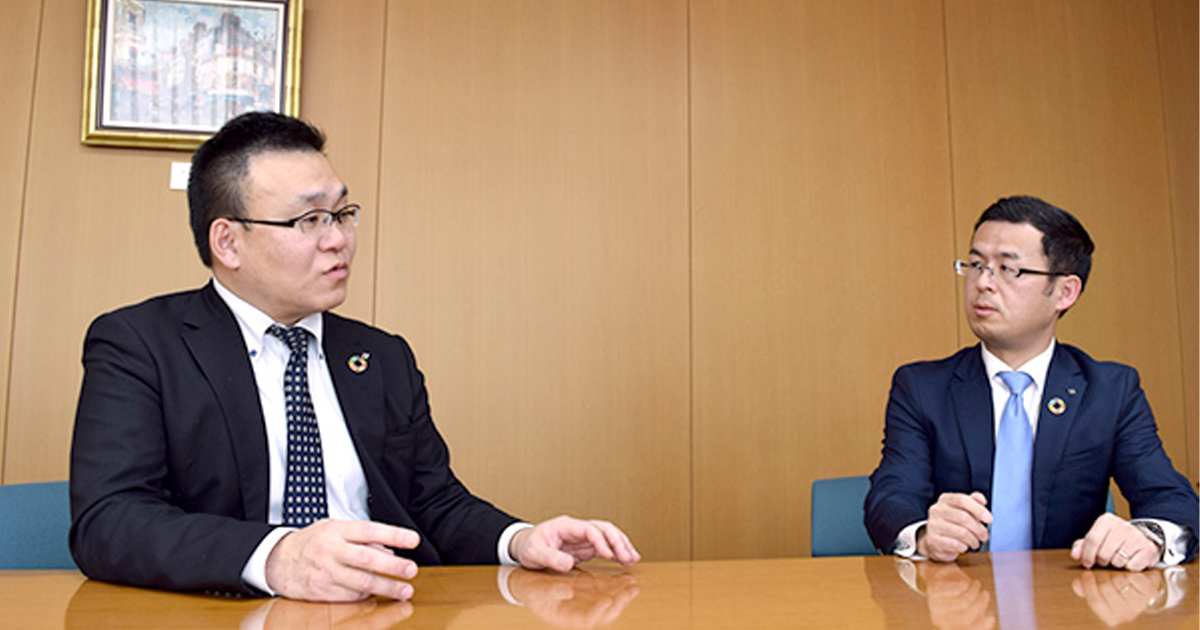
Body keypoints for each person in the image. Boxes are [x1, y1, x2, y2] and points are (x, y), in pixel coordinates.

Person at [69, 111, 639, 602]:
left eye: (342, 215)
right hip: (227, 612)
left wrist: (519, 540)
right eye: (309, 220)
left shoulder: (381, 356)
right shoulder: (140, 344)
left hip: (386, 608)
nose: (338, 239)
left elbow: (434, 503)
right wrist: (277, 556)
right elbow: (109, 519)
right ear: (228, 242)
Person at [864, 195, 1198, 572]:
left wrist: (1149, 537)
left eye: (1009, 269)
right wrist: (924, 533)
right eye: (976, 265)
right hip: (957, 595)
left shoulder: (1110, 390)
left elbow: (1171, 500)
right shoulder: (921, 387)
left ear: (1065, 292)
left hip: (1069, 593)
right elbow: (890, 498)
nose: (983, 283)